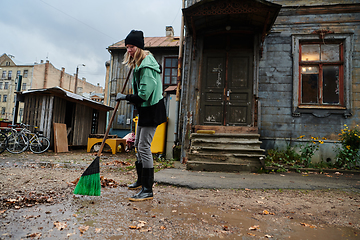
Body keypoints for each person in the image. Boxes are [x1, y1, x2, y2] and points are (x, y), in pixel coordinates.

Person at [116, 30, 167, 202]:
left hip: (152, 109)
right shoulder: (138, 64)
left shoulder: (146, 67)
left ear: (139, 47)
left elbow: (144, 95)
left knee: (144, 147)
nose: (129, 50)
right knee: (138, 144)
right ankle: (140, 181)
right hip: (145, 109)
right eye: (127, 47)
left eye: (132, 46)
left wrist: (125, 97)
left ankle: (147, 189)